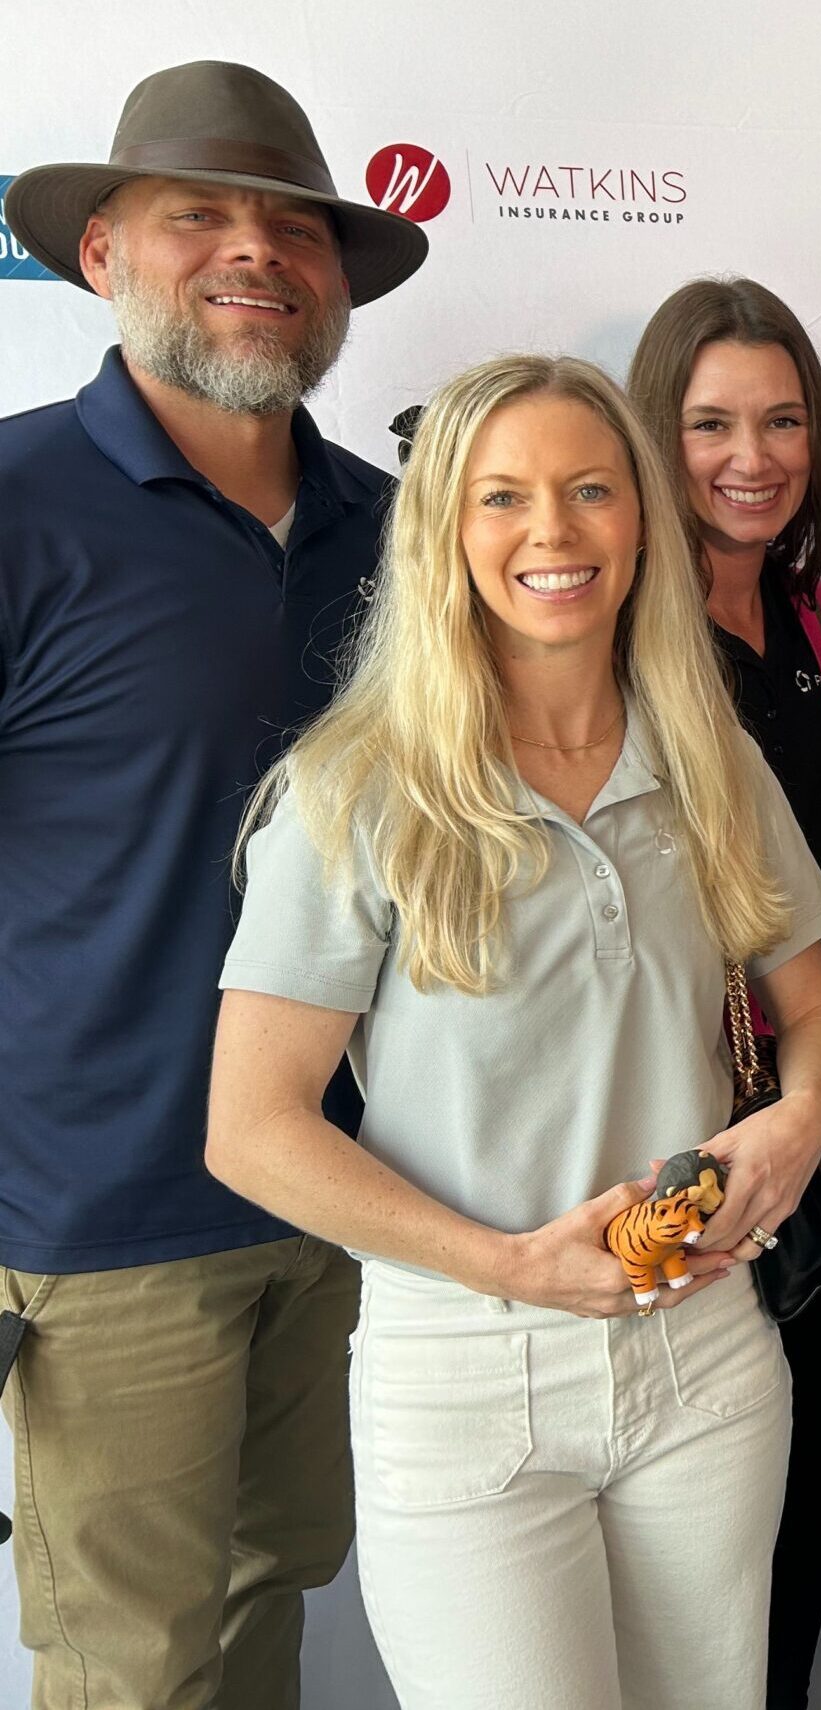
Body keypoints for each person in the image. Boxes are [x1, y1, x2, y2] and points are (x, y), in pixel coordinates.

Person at [205, 354, 821, 1705]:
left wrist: (800, 1121)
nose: (551, 530)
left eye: (589, 490)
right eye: (501, 496)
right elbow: (251, 1131)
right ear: (443, 531)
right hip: (464, 1366)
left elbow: (816, 1018)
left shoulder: (710, 756)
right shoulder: (354, 792)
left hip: (704, 1352)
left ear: (643, 519)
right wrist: (509, 1265)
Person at [0, 60, 426, 1709]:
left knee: (271, 1607)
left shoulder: (401, 535)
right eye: (202, 217)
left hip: (348, 1194)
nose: (257, 251)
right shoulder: (16, 507)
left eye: (294, 229)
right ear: (104, 252)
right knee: (135, 1669)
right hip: (101, 1221)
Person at [628, 275, 821, 1710]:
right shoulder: (622, 632)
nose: (753, 456)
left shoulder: (817, 618)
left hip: (818, 1115)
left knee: (804, 1461)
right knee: (683, 1479)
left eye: (783, 421)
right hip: (670, 1132)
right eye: (712, 423)